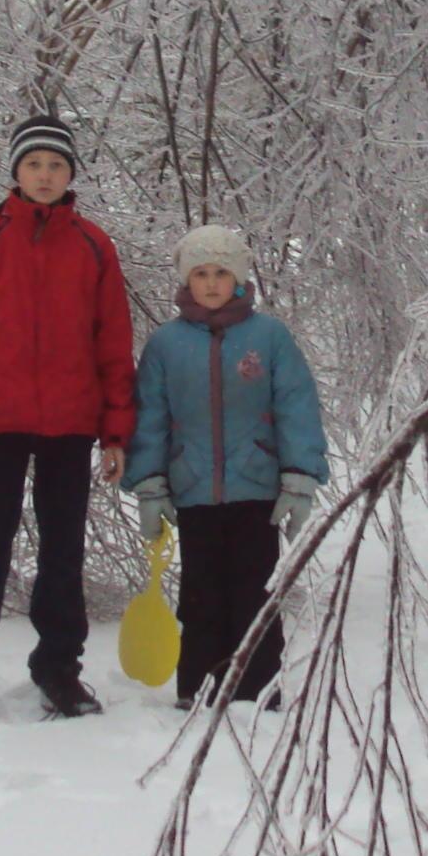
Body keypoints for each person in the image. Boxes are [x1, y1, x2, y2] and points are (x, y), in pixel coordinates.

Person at [0, 113, 136, 722]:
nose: (45, 176)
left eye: (57, 165)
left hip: (70, 427)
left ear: (72, 174)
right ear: (16, 171)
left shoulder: (94, 245)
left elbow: (113, 344)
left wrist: (115, 431)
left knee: (63, 556)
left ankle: (60, 673)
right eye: (34, 164)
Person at [122, 224, 327, 708]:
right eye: (200, 273)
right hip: (192, 491)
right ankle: (199, 686)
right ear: (185, 281)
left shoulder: (269, 337)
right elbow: (150, 416)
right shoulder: (166, 345)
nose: (211, 283)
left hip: (257, 490)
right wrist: (151, 484)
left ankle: (258, 689)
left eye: (220, 272)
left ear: (238, 279)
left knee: (256, 593)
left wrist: (299, 478)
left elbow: (296, 405)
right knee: (200, 596)